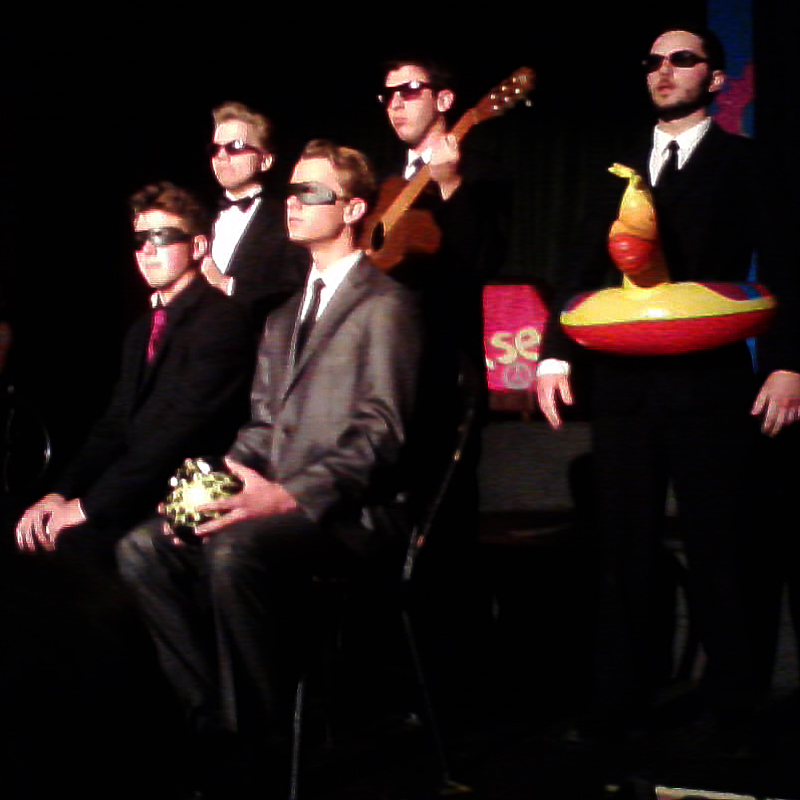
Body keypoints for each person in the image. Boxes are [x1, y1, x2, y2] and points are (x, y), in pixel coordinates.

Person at [116, 141, 422, 797]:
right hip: (271, 509)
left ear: (353, 208)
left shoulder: (387, 304)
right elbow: (258, 428)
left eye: (311, 191)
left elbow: (380, 434)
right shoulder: (281, 316)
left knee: (235, 553)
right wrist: (209, 490)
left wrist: (285, 497)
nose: (293, 201)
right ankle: (216, 723)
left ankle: (258, 741)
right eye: (290, 190)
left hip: (349, 518)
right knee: (145, 546)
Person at [536, 25, 800, 745]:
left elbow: (784, 263)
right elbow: (579, 268)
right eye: (652, 61)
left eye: (682, 59)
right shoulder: (614, 167)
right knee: (622, 549)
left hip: (710, 387)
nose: (663, 70)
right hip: (623, 389)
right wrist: (556, 354)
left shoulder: (747, 162)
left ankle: (735, 705)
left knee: (721, 545)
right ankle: (618, 706)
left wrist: (787, 362)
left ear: (715, 78)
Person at [15, 182, 253, 566]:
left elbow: (177, 436)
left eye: (163, 236)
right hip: (133, 491)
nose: (147, 248)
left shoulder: (221, 322)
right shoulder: (143, 329)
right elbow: (113, 426)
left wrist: (88, 508)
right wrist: (60, 493)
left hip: (185, 497)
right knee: (32, 537)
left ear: (198, 247)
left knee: (70, 551)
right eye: (141, 238)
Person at [201, 101, 308, 326]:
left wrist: (227, 286)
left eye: (235, 146)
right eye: (215, 149)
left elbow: (295, 294)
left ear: (266, 160)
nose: (221, 156)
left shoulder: (289, 217)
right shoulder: (200, 221)